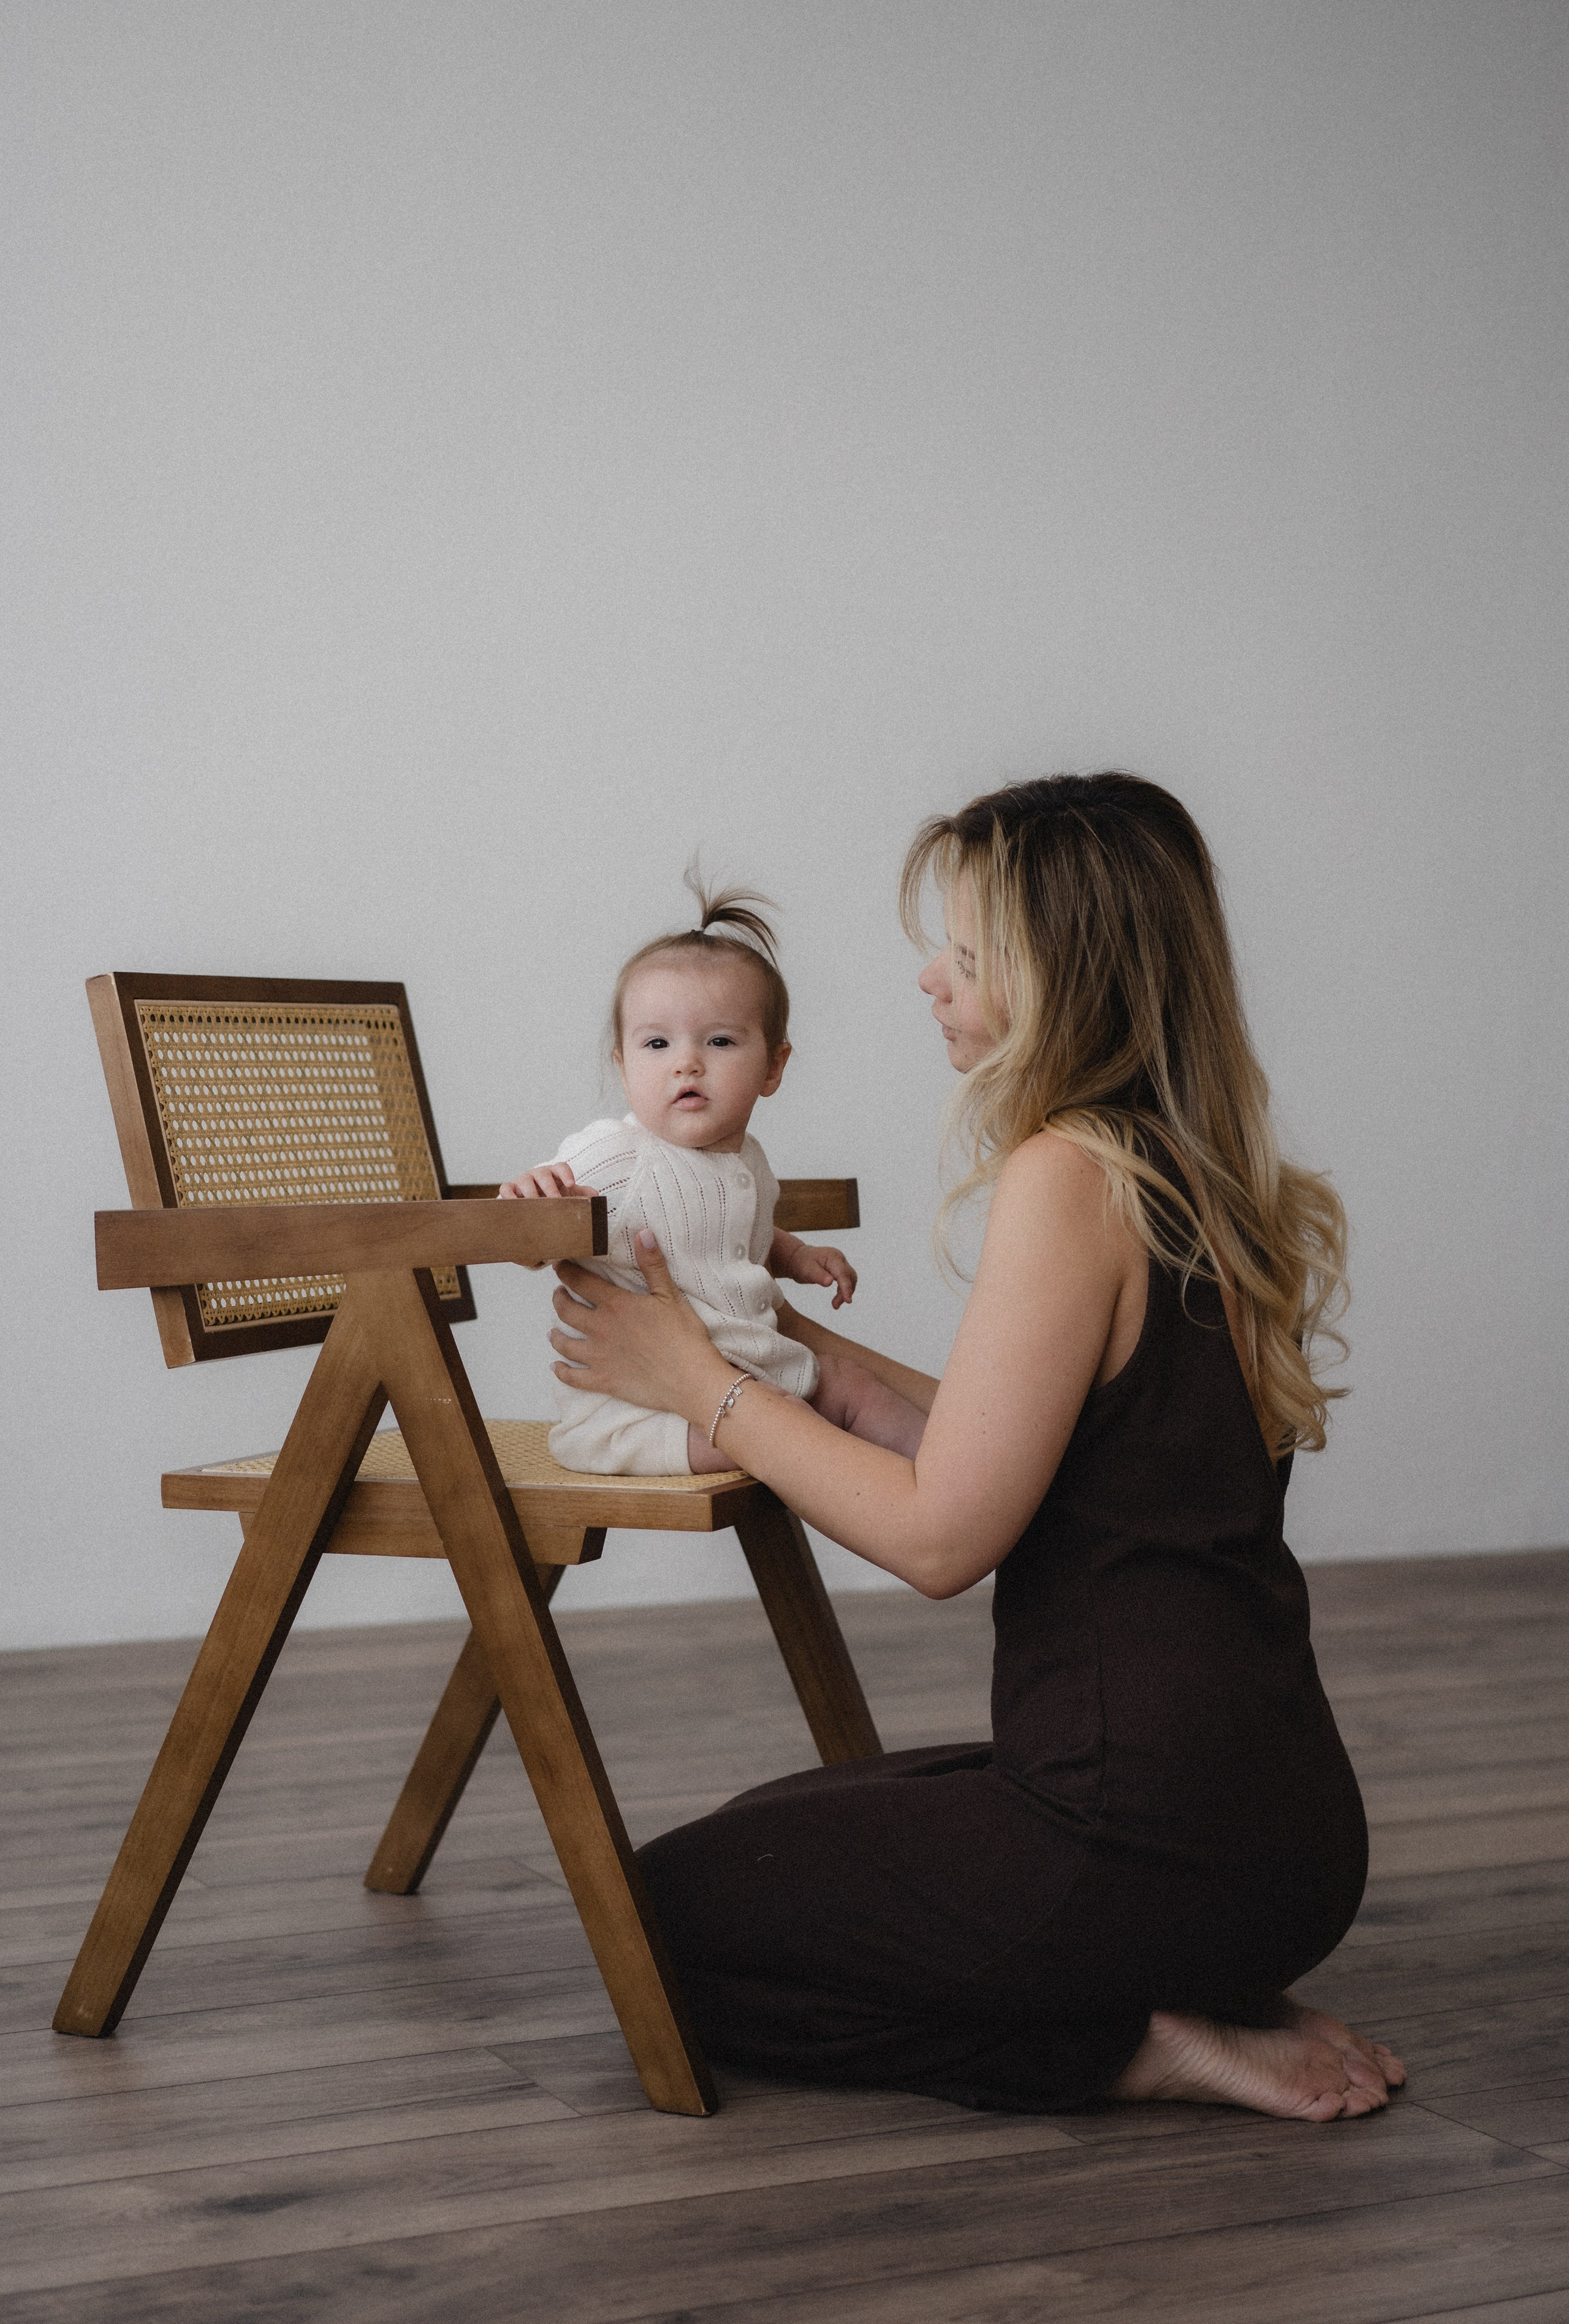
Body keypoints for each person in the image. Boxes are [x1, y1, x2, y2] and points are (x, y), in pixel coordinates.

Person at [545, 775, 1407, 2122]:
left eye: (963, 949)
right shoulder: (1193, 1167)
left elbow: (942, 1534)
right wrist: (790, 1351)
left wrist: (699, 1382)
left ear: (1058, 973)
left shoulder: (1069, 1171)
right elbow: (1029, 1444)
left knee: (648, 1916)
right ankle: (1192, 1971)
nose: (925, 976)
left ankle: (1124, 2043)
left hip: (1142, 1840)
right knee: (786, 1817)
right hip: (1281, 1835)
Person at [501, 883, 927, 1476]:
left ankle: (959, 1476)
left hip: (743, 1378)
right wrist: (531, 1198)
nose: (686, 1062)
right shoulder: (617, 1156)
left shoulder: (748, 1160)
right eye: (656, 1043)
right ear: (624, 1069)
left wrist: (796, 1255)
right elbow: (528, 1235)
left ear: (774, 1067)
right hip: (640, 1415)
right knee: (798, 1426)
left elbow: (739, 1229)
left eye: (719, 1041)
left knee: (851, 1387)